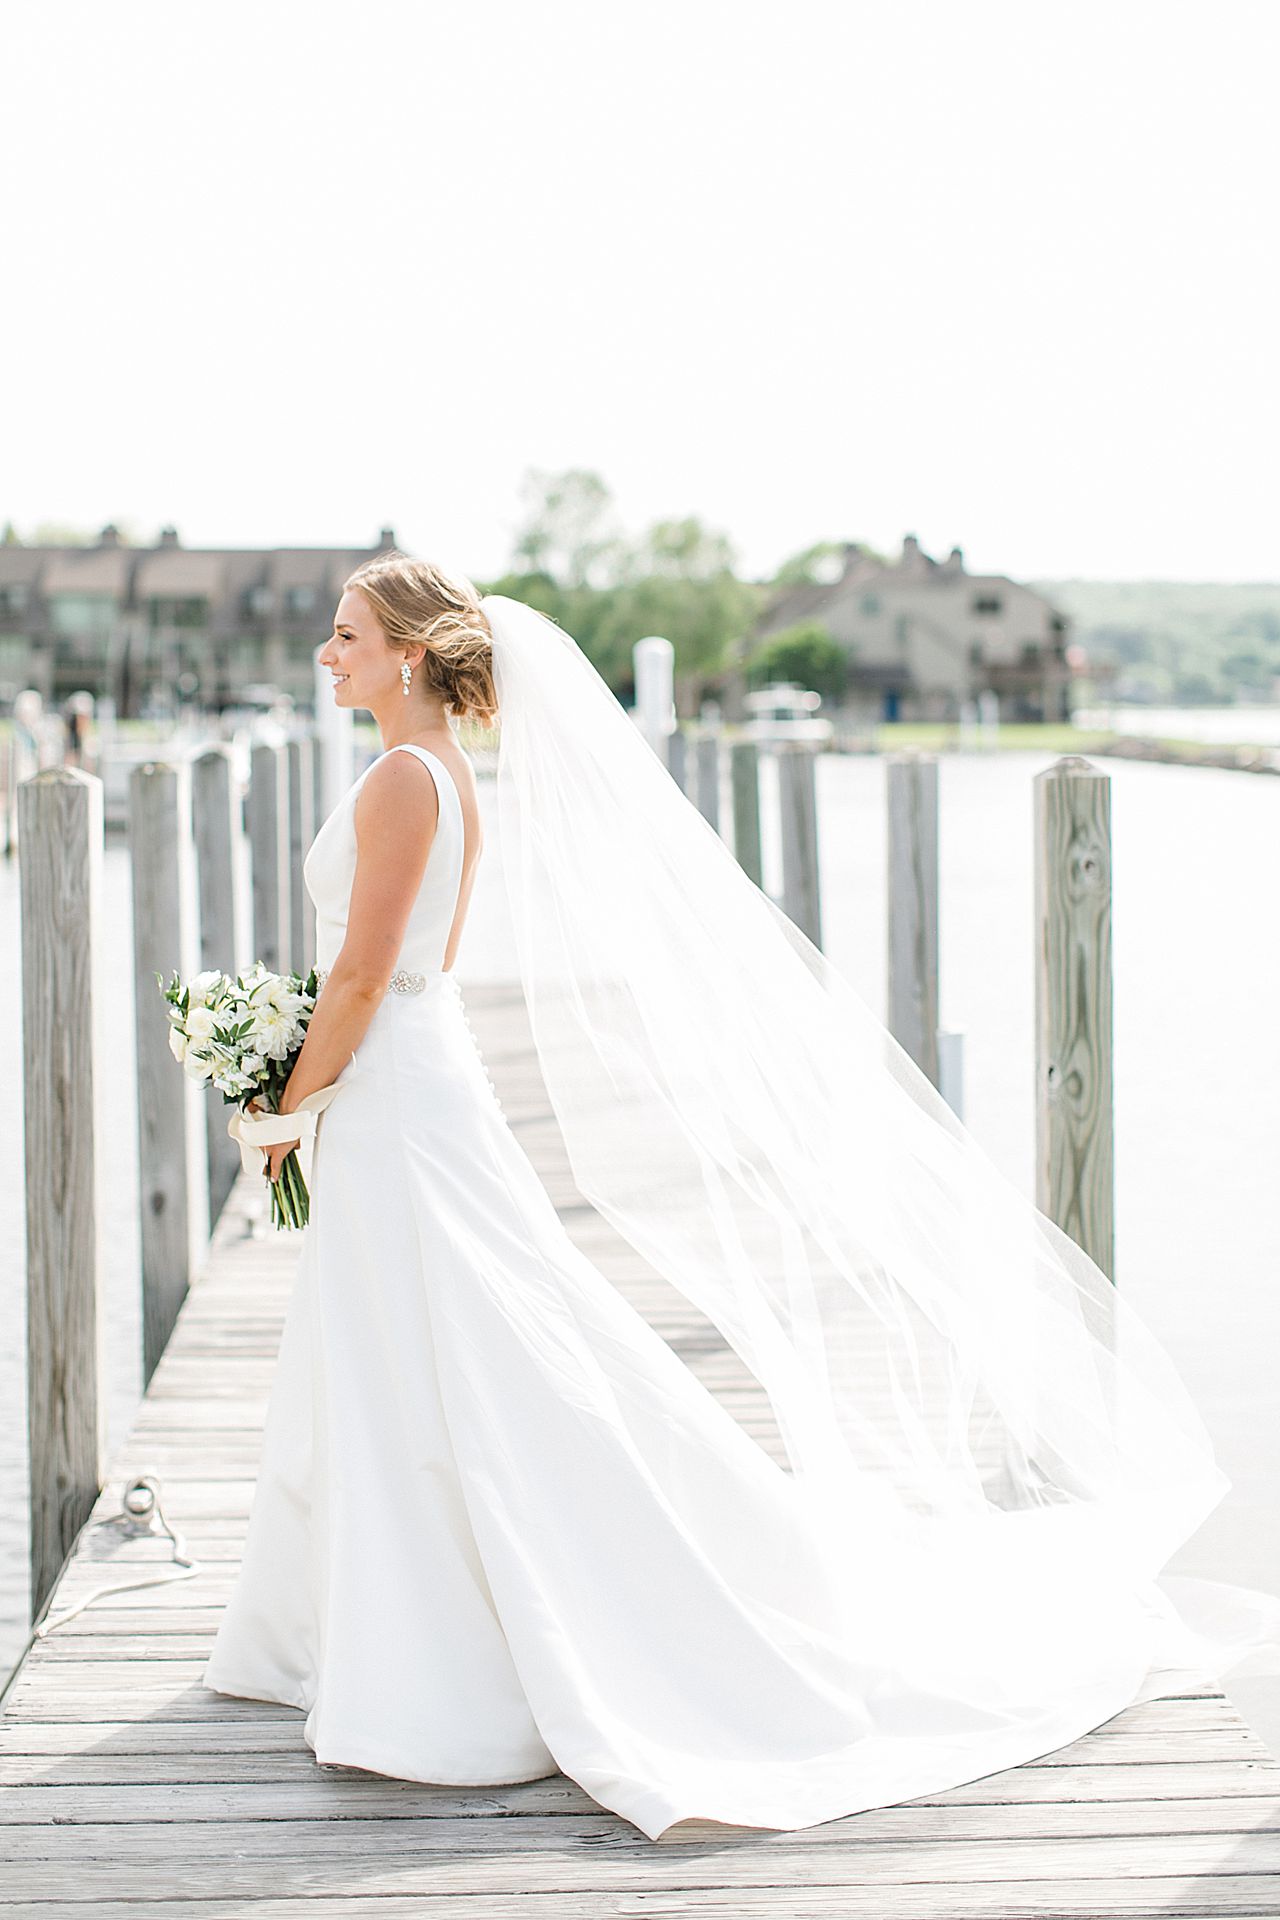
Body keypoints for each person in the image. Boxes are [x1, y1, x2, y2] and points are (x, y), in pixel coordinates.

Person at [202, 551, 1280, 1842]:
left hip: (397, 1096)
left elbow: (365, 980)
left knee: (443, 1350)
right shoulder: (449, 780)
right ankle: (395, 1624)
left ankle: (444, 1651)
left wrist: (285, 1106)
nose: (328, 654)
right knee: (432, 1347)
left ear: (414, 654)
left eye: (347, 635)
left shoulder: (396, 780)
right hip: (420, 1090)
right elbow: (390, 974)